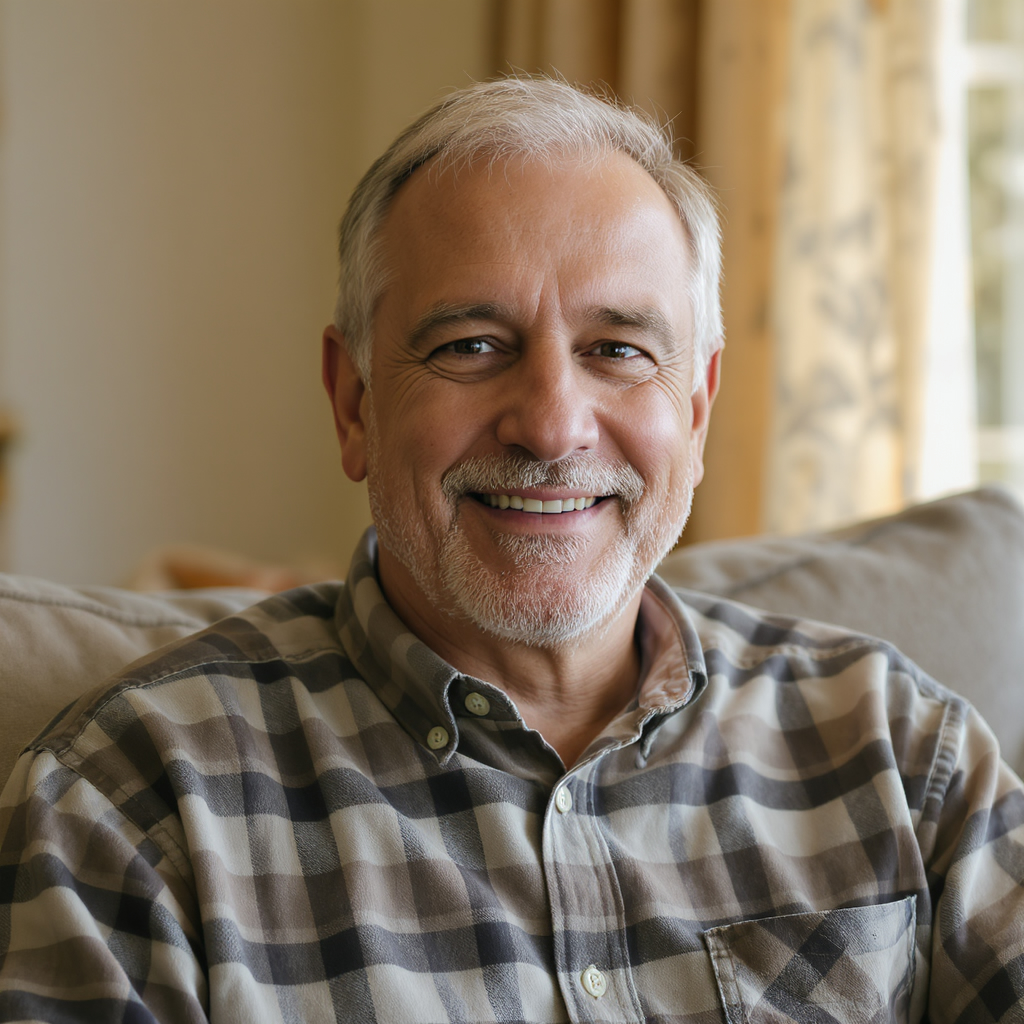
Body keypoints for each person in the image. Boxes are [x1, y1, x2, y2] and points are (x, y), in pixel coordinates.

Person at [0, 77, 1021, 1024]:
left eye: (617, 349)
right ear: (352, 401)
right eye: (470, 345)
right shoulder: (129, 805)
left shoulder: (900, 753)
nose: (548, 424)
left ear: (697, 408)